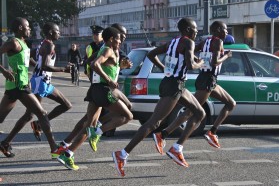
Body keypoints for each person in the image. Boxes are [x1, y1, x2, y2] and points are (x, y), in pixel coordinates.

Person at [112, 17, 206, 177]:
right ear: (189, 30)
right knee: (153, 122)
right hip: (174, 85)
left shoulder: (174, 42)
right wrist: (200, 63)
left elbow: (152, 54)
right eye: (195, 29)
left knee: (199, 113)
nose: (197, 31)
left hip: (175, 83)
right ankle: (122, 154)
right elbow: (190, 65)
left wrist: (165, 67)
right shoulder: (188, 42)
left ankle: (176, 147)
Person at [57, 27, 132, 170]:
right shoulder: (108, 49)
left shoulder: (109, 50)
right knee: (128, 115)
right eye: (119, 38)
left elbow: (91, 63)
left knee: (88, 125)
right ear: (111, 39)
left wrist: (119, 68)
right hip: (104, 90)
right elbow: (94, 64)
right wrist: (108, 79)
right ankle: (98, 131)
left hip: (96, 90)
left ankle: (68, 154)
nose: (121, 41)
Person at [153, 21, 236, 151]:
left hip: (209, 80)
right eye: (225, 30)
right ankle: (166, 137)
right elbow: (214, 62)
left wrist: (196, 58)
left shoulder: (205, 41)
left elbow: (191, 51)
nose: (227, 32)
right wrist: (226, 56)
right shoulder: (218, 42)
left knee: (231, 103)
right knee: (193, 112)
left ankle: (212, 132)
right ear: (219, 29)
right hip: (207, 80)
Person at [0, 22, 72, 158]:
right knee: (42, 114)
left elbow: (29, 62)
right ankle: (54, 149)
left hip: (20, 85)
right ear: (20, 28)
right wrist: (3, 71)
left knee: (5, 118)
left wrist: (36, 66)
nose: (30, 29)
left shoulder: (24, 43)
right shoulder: (13, 43)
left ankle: (5, 143)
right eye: (27, 27)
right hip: (18, 85)